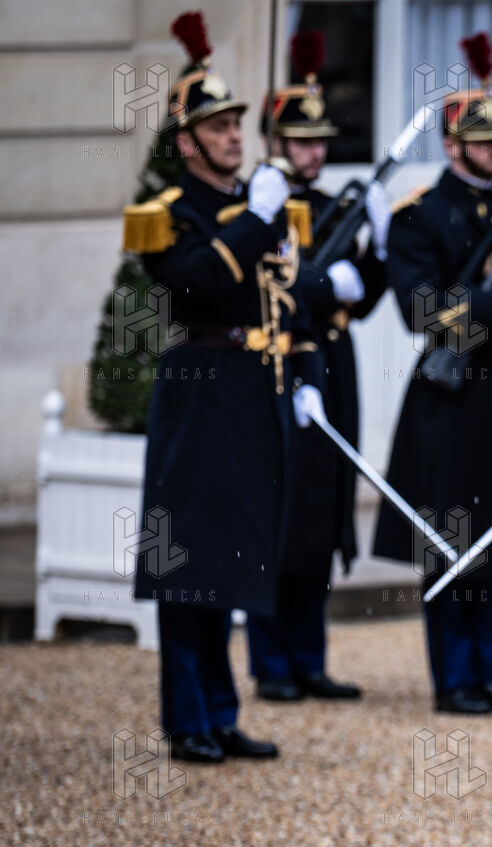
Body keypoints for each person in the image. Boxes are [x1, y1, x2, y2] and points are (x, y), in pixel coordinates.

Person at [126, 12, 337, 761]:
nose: (233, 136)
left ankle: (220, 711)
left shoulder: (263, 203)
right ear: (187, 141)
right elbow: (199, 284)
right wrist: (257, 217)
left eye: (236, 124)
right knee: (189, 560)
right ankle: (187, 717)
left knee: (233, 560)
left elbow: (291, 302)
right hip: (200, 394)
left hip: (256, 396)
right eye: (217, 127)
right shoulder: (170, 216)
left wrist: (308, 378)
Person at [372, 33, 492, 715]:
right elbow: (421, 309)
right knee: (451, 538)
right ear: (452, 146)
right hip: (452, 398)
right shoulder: (421, 215)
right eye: (481, 142)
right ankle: (454, 677)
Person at [245, 30, 390, 702]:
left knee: (324, 508)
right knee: (282, 510)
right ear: (276, 141)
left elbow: (365, 300)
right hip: (278, 367)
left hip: (333, 363)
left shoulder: (333, 206)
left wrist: (379, 249)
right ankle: (271, 660)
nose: (315, 152)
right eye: (302, 142)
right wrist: (329, 285)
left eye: (320, 141)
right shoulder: (259, 207)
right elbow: (271, 285)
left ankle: (309, 656)